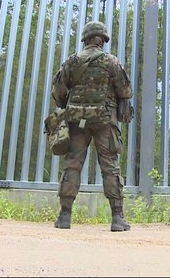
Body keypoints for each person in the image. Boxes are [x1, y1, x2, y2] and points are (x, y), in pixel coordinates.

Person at [50, 21, 133, 232]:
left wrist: (68, 107)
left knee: (72, 165)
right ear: (102, 40)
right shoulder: (111, 62)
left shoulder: (72, 62)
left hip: (77, 121)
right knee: (110, 167)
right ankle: (117, 218)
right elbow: (125, 92)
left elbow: (58, 92)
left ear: (85, 38)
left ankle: (64, 216)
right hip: (105, 121)